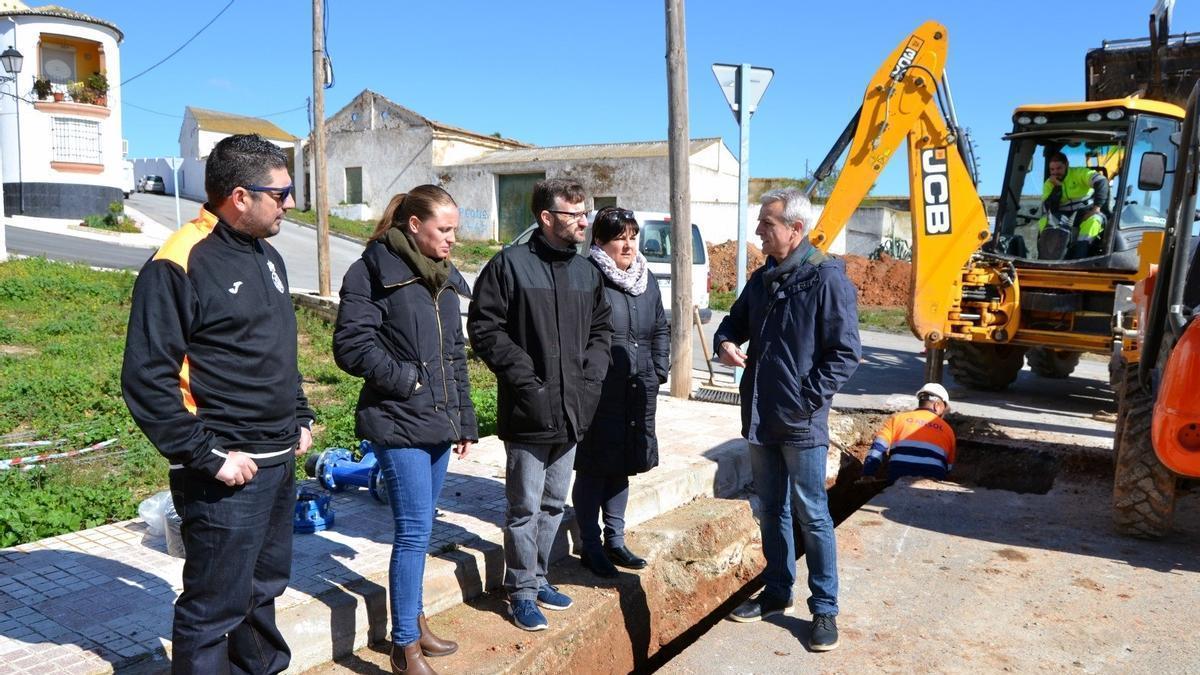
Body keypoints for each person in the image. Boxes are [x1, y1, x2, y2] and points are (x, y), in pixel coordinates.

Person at [121, 133, 314, 674]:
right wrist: (208, 457)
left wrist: (299, 414)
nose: (291, 203)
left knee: (262, 593)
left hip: (278, 462)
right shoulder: (180, 261)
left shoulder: (267, 255)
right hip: (228, 472)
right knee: (213, 609)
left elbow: (274, 346)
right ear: (239, 196)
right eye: (280, 193)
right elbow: (147, 379)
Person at [332, 185, 477, 675]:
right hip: (398, 419)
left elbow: (454, 356)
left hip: (437, 421)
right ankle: (404, 647)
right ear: (414, 226)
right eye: (444, 229)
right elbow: (351, 346)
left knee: (424, 527)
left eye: (455, 229)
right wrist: (407, 379)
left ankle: (415, 622)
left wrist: (464, 421)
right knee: (413, 532)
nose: (453, 239)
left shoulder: (443, 278)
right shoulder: (372, 270)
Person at [713, 187, 861, 653]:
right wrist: (725, 343)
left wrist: (805, 399)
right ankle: (777, 591)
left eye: (766, 224)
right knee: (770, 509)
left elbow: (845, 353)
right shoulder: (761, 281)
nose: (758, 231)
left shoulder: (826, 280)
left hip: (800, 423)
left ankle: (824, 609)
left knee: (813, 513)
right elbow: (731, 324)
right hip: (759, 417)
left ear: (795, 229)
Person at [467, 178, 613, 631]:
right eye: (575, 215)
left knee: (553, 505)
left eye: (584, 212)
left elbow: (601, 330)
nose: (584, 222)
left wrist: (591, 379)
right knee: (523, 507)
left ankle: (541, 576)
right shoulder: (509, 266)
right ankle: (521, 591)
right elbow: (486, 328)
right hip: (528, 412)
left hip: (572, 412)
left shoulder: (587, 272)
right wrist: (526, 381)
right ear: (547, 218)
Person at [573, 207, 670, 578]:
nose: (628, 244)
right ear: (599, 241)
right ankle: (590, 544)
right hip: (601, 389)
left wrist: (658, 369)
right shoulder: (588, 276)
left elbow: (661, 327)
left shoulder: (646, 280)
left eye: (632, 236)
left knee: (623, 464)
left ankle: (615, 540)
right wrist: (590, 378)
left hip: (638, 385)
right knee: (594, 466)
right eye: (619, 237)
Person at [862, 383, 956, 483]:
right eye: (944, 409)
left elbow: (878, 447)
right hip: (932, 481)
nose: (944, 414)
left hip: (897, 477)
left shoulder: (898, 419)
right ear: (937, 406)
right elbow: (948, 467)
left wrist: (868, 474)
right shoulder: (948, 430)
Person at [1038, 152, 1109, 260]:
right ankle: (1046, 260)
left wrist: (1096, 209)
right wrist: (1057, 188)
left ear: (1066, 164)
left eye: (1059, 168)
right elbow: (1049, 208)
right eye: (1052, 170)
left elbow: (1101, 181)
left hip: (1085, 212)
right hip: (1063, 215)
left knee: (1094, 220)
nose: (1055, 172)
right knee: (1044, 221)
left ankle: (1080, 256)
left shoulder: (1079, 173)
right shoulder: (1049, 184)